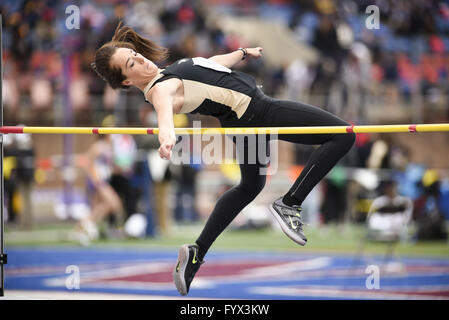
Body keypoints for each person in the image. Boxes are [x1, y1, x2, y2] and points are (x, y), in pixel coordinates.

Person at [92, 22, 356, 295]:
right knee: (342, 135)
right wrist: (166, 139)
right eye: (130, 64)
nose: (139, 60)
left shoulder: (168, 72)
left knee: (251, 186)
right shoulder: (160, 89)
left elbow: (211, 64)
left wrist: (241, 53)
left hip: (241, 121)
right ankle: (290, 203)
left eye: (134, 54)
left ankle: (196, 253)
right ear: (126, 81)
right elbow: (165, 115)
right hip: (258, 112)